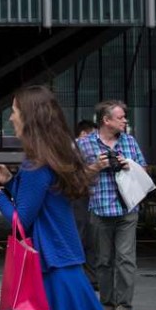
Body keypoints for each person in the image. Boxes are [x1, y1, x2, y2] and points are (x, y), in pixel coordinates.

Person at [0, 85, 119, 310]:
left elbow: (20, 221)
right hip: (64, 268)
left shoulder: (36, 165)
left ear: (29, 117)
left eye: (14, 111)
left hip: (47, 272)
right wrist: (10, 181)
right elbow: (43, 201)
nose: (11, 117)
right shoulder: (52, 157)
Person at [77, 100, 148, 310]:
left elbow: (144, 170)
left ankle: (123, 307)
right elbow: (76, 178)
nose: (125, 120)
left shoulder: (129, 141)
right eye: (121, 117)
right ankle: (106, 304)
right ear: (106, 121)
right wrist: (95, 167)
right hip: (100, 209)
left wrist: (129, 165)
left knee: (126, 260)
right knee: (103, 261)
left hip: (127, 208)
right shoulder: (85, 144)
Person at [72, 119, 98, 285]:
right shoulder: (74, 149)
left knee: (89, 237)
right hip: (79, 198)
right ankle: (85, 277)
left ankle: (90, 277)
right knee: (83, 236)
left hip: (86, 198)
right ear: (83, 134)